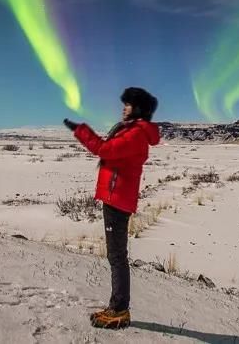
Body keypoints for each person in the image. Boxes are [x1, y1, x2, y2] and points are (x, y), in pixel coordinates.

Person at [63, 87, 160, 330]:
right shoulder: (131, 131)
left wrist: (81, 131)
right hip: (116, 198)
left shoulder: (136, 134)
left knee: (117, 257)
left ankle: (119, 310)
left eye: (128, 104)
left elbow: (105, 150)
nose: (123, 107)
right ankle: (116, 307)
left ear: (138, 109)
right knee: (116, 256)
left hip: (117, 201)